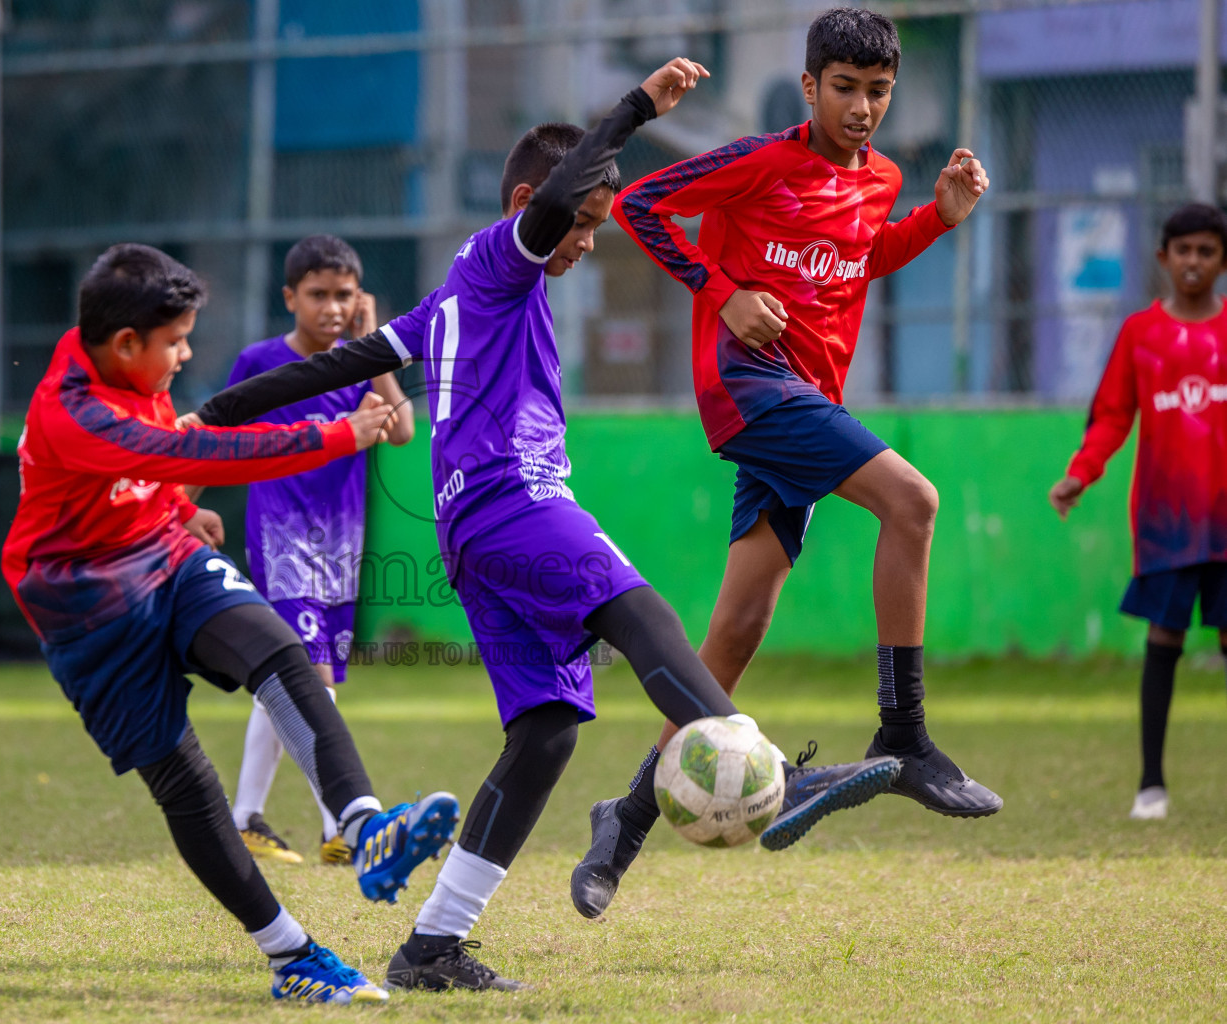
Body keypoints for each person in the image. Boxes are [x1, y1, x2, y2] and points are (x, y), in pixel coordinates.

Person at [193, 58, 899, 992]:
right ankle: (763, 762)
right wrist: (638, 107)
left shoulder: (446, 304)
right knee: (637, 609)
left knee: (550, 730)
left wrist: (212, 411)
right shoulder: (497, 258)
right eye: (584, 225)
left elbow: (325, 369)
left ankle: (433, 945)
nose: (587, 245)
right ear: (534, 204)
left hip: (473, 533)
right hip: (514, 503)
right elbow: (560, 195)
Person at [569, 6, 1002, 919]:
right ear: (810, 86)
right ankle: (907, 733)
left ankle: (627, 817)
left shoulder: (882, 177)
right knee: (912, 502)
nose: (862, 107)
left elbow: (857, 258)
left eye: (878, 91)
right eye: (844, 88)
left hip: (811, 400)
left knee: (733, 637)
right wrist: (721, 295)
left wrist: (938, 220)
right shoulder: (761, 160)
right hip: (752, 391)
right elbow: (644, 203)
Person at [1, 243, 459, 1005]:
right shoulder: (72, 413)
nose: (185, 355)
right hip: (88, 613)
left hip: (163, 554)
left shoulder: (109, 351)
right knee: (185, 785)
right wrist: (338, 434)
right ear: (124, 346)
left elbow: (149, 464)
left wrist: (178, 509)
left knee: (279, 648)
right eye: (175, 342)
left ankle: (365, 826)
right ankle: (291, 956)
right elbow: (189, 447)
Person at [226, 235, 415, 867]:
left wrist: (376, 347)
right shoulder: (258, 362)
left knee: (297, 680)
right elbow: (217, 434)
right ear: (290, 297)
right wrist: (188, 503)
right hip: (280, 539)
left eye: (343, 295)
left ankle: (246, 815)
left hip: (341, 545)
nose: (331, 307)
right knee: (310, 678)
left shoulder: (357, 363)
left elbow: (404, 430)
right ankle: (342, 822)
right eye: (317, 295)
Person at [1049, 203, 1227, 821]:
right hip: (1168, 522)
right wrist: (1081, 473)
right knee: (1165, 637)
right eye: (1184, 251)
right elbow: (1112, 416)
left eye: (1207, 251)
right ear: (1163, 258)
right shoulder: (1140, 333)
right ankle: (1151, 784)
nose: (1195, 262)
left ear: (1221, 260)